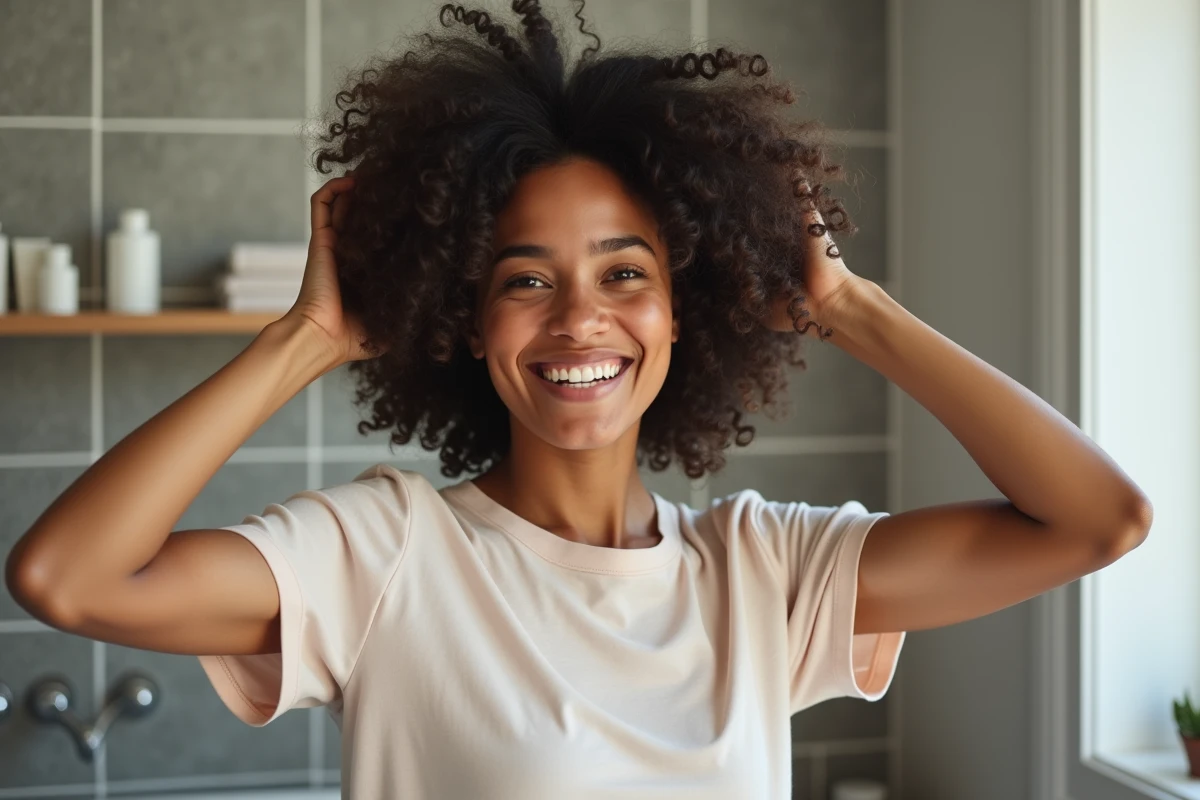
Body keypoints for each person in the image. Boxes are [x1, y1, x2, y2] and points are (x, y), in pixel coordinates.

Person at [5, 1, 1151, 798]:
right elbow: (67, 576)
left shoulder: (766, 573)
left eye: (625, 274)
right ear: (463, 317)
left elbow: (1098, 519)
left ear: (678, 311)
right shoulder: (384, 553)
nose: (578, 320)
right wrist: (308, 337)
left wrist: (849, 305)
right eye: (525, 280)